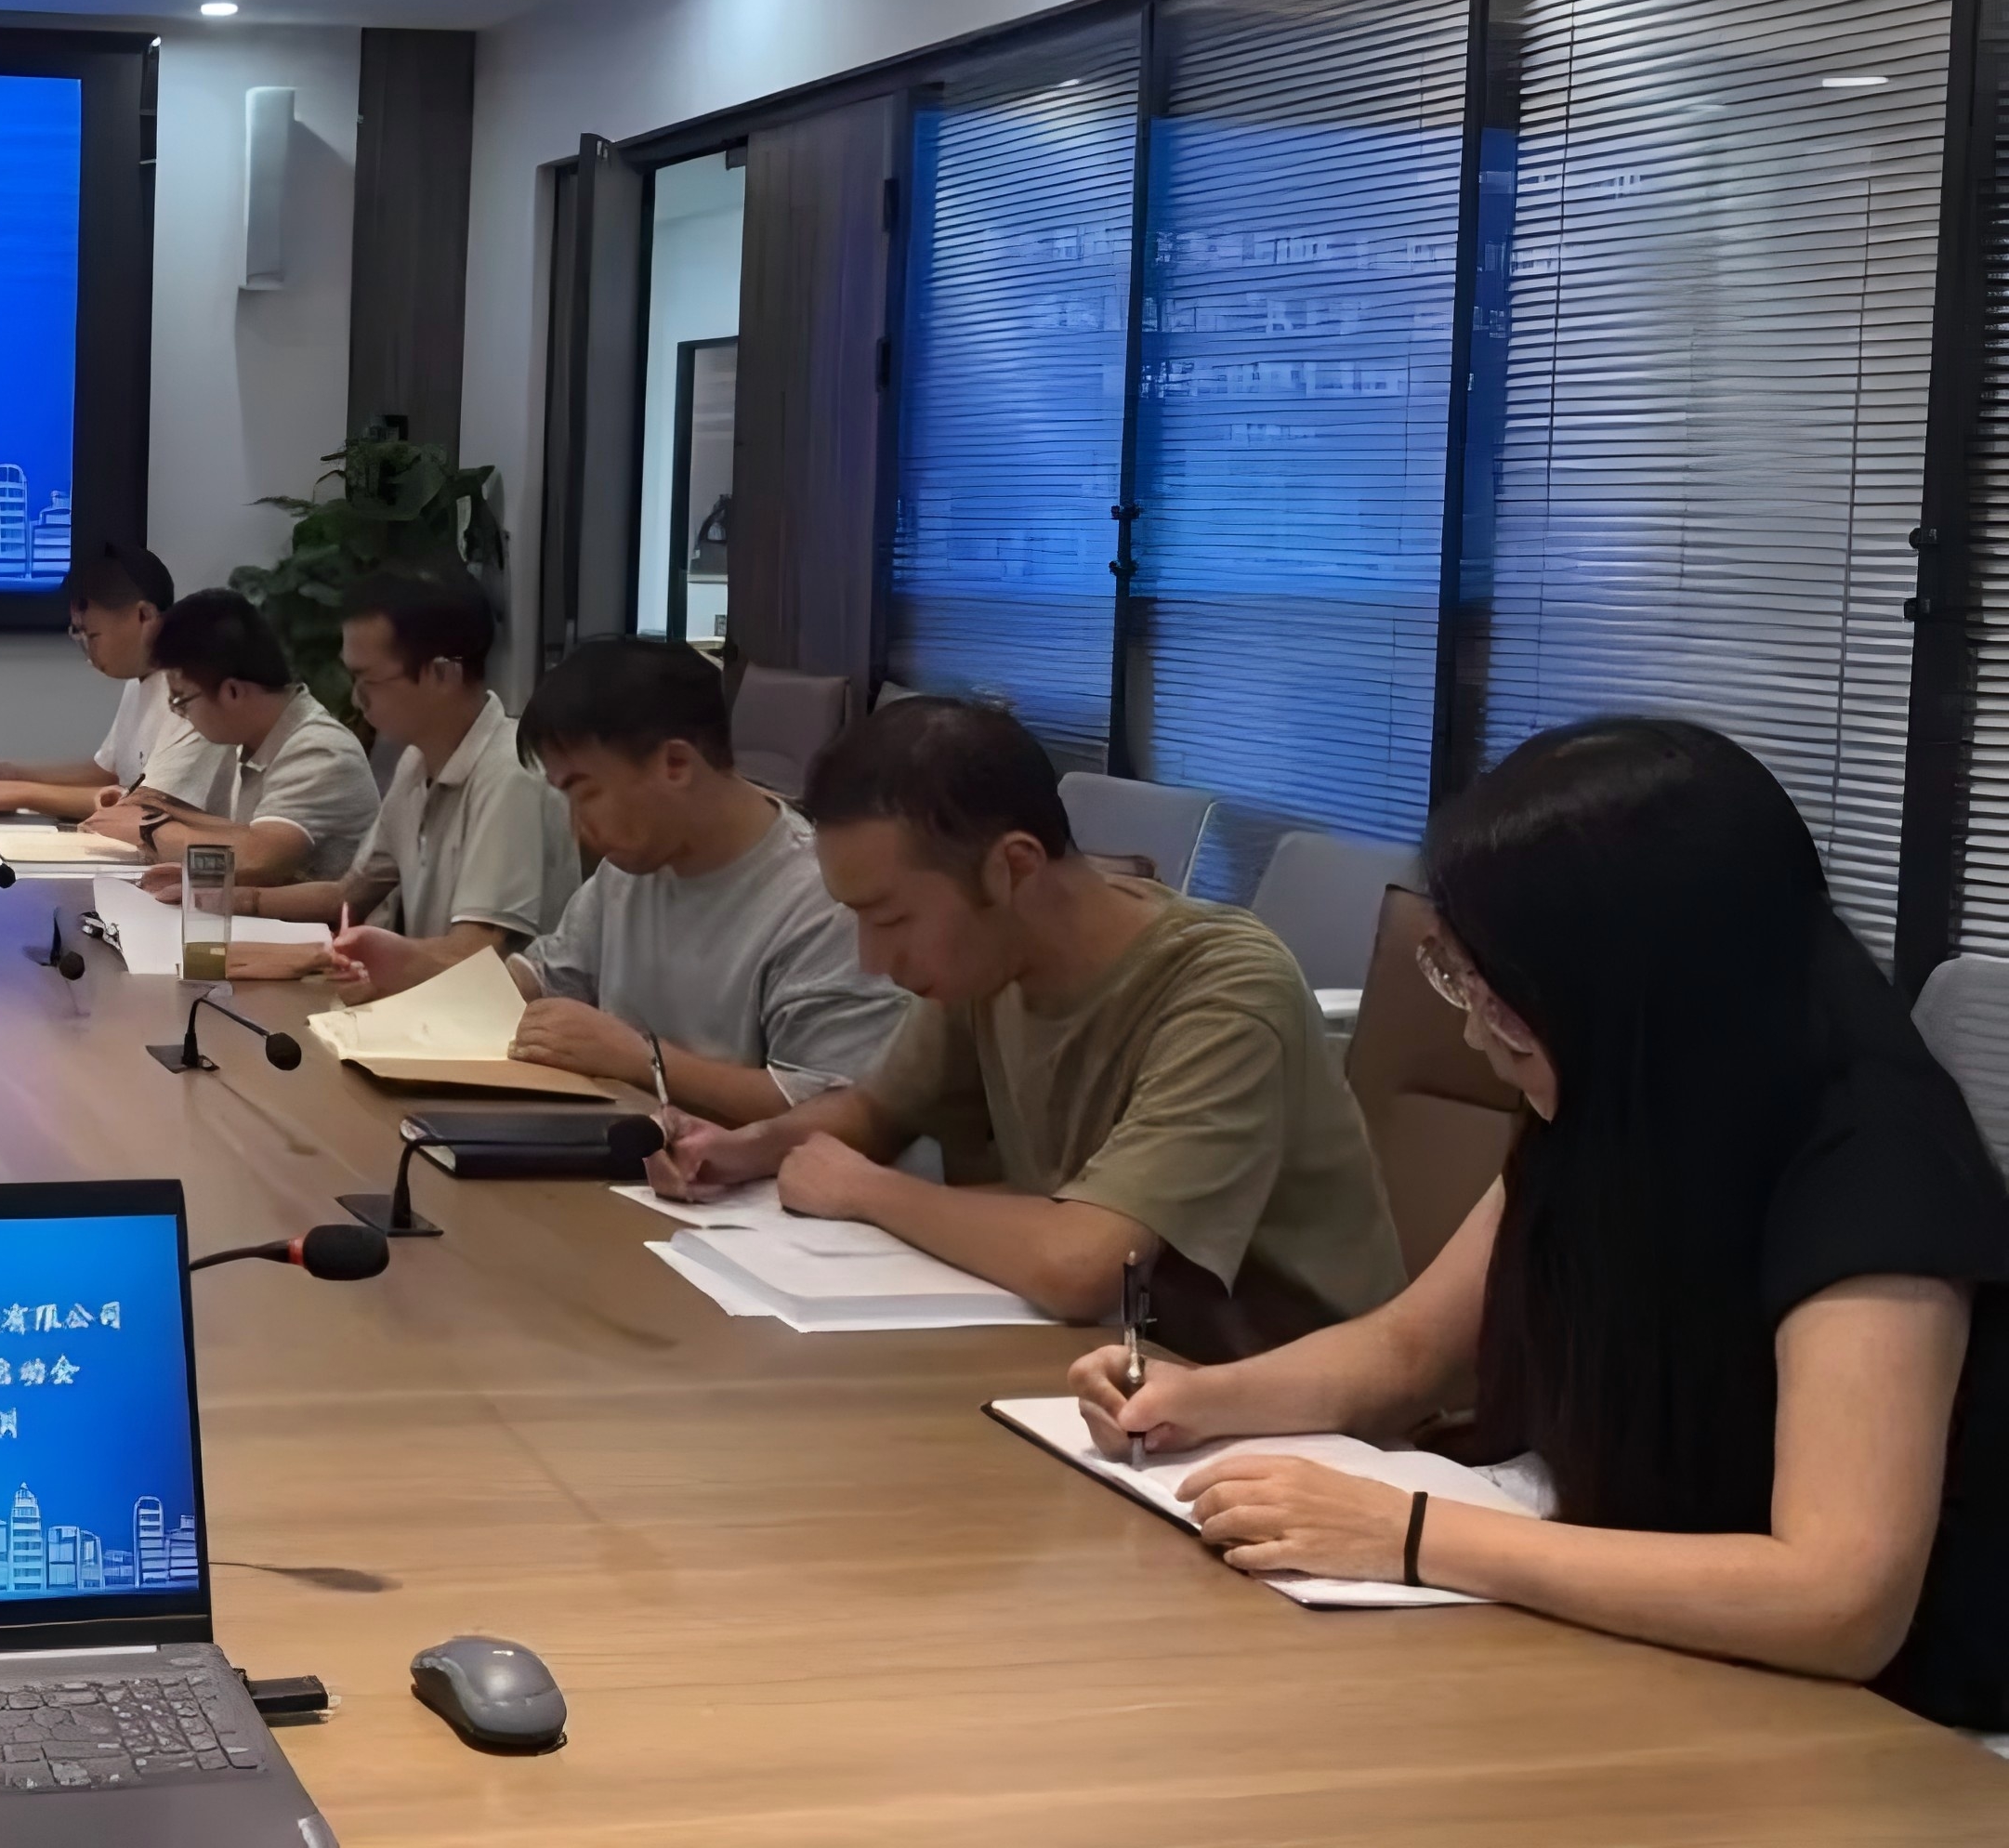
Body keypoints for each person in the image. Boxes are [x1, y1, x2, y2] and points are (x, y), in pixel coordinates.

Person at [1070, 718, 2009, 1733]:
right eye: (1461, 978)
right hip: (1648, 1632)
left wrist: (1410, 1534)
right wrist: (1203, 1399)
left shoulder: (1879, 1170)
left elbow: (1838, 1601)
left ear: (1643, 987)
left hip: (1884, 1726)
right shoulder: (1631, 1084)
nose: (1475, 1031)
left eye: (1501, 998)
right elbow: (1411, 1350)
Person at [663, 698, 1402, 1353]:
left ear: (1012, 868)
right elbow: (879, 1112)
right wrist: (745, 1150)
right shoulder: (990, 958)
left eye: (890, 919)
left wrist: (865, 1190)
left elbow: (1085, 1265)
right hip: (1094, 1361)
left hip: (1277, 1401)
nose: (873, 959)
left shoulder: (1225, 990)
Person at [455, 635, 912, 1115]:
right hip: (624, 1144)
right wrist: (431, 998)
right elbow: (548, 975)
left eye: (585, 793)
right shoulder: (631, 868)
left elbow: (830, 1106)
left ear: (676, 764)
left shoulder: (825, 898)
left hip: (743, 1162)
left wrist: (642, 1059)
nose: (578, 827)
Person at [167, 565, 578, 987]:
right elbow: (348, 894)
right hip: (423, 1004)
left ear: (442, 673)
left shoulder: (511, 773)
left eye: (368, 680)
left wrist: (319, 958)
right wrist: (228, 898)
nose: (356, 697)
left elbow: (473, 953)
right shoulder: (417, 761)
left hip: (488, 1015)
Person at [84, 588, 379, 885]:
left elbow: (257, 858)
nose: (180, 714)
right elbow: (246, 832)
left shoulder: (318, 750)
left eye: (181, 700)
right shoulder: (254, 737)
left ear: (233, 692)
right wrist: (158, 807)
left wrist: (148, 829)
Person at [0, 545, 209, 820]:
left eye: (92, 636)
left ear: (144, 616)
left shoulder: (193, 693)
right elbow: (109, 771)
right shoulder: (140, 680)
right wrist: (13, 774)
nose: (89, 655)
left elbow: (150, 808)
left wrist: (20, 793)